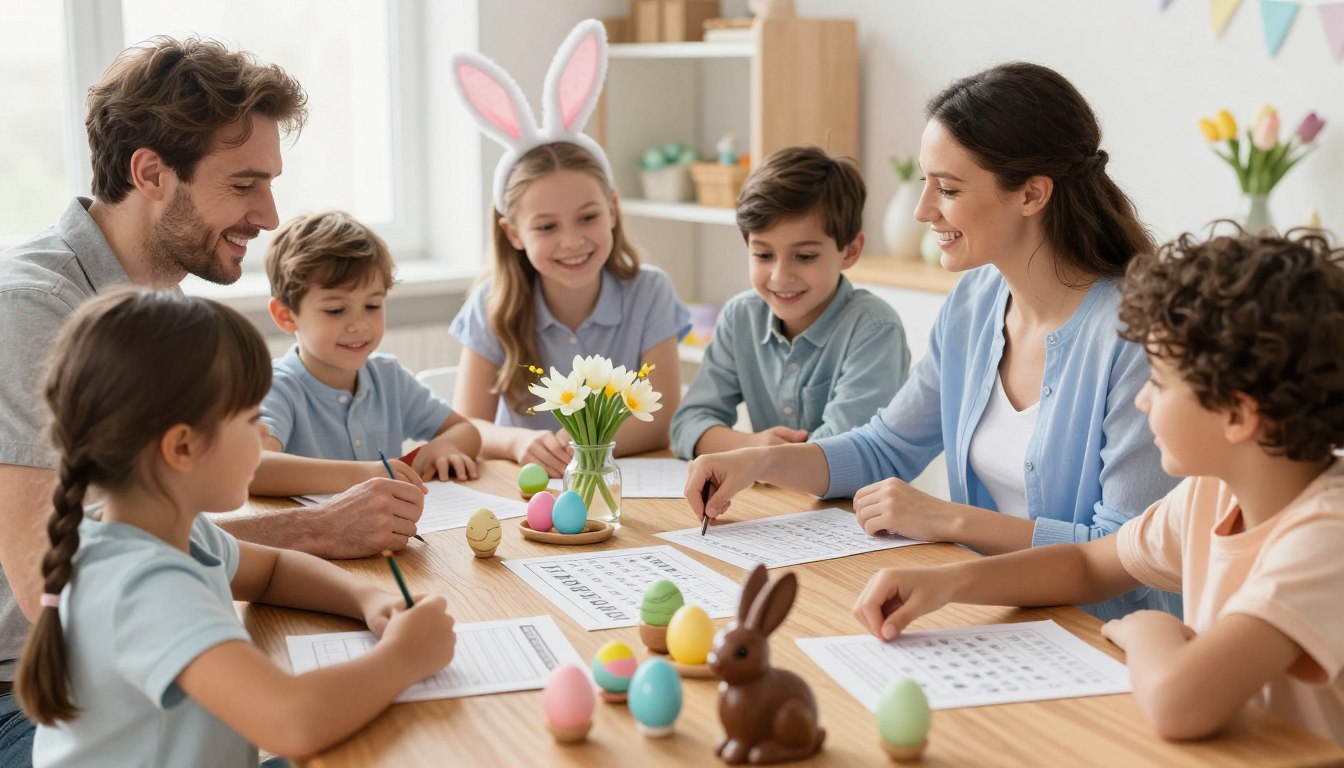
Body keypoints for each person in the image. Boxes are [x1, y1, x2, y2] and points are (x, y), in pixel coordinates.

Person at [0, 38, 424, 763]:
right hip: (32, 694)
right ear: (151, 173)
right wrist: (316, 532)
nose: (268, 215)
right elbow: (51, 572)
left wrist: (352, 495)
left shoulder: (159, 303)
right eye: (244, 184)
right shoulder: (32, 312)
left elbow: (197, 476)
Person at [685, 62, 1179, 620]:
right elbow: (883, 447)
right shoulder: (974, 303)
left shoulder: (1136, 336)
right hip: (995, 618)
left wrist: (948, 520)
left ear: (1032, 194)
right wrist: (759, 461)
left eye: (947, 188)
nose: (924, 210)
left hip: (1110, 640)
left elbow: (1123, 553)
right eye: (925, 183)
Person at [853, 229, 1344, 744]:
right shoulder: (1210, 494)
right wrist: (948, 584)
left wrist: (1147, 633)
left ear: (1239, 414)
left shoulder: (1325, 537)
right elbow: (1088, 564)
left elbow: (1179, 704)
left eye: (1159, 382)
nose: (1142, 402)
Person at [16, 289, 458, 766]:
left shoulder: (167, 532)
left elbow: (272, 571)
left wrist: (369, 600)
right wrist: (404, 658)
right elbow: (292, 721)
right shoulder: (145, 587)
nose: (263, 440)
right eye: (251, 420)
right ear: (182, 447)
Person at [447, 20, 689, 477]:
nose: (573, 241)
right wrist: (521, 442)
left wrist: (582, 450)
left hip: (623, 490)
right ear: (514, 234)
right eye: (546, 226)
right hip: (525, 495)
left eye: (588, 217)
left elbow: (662, 420)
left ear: (613, 210)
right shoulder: (491, 305)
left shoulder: (650, 292)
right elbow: (466, 426)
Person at [670, 146, 909, 459]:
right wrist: (755, 446)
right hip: (774, 500)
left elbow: (843, 454)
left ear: (850, 251)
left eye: (805, 256)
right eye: (763, 255)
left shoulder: (874, 329)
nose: (781, 277)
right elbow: (686, 425)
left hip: (851, 506)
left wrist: (759, 459)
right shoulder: (740, 317)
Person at [252, 211, 481, 496]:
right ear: (287, 316)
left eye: (372, 306)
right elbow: (255, 468)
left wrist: (442, 447)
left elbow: (466, 431)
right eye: (335, 310)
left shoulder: (388, 377)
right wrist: (366, 475)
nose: (359, 325)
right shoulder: (277, 388)